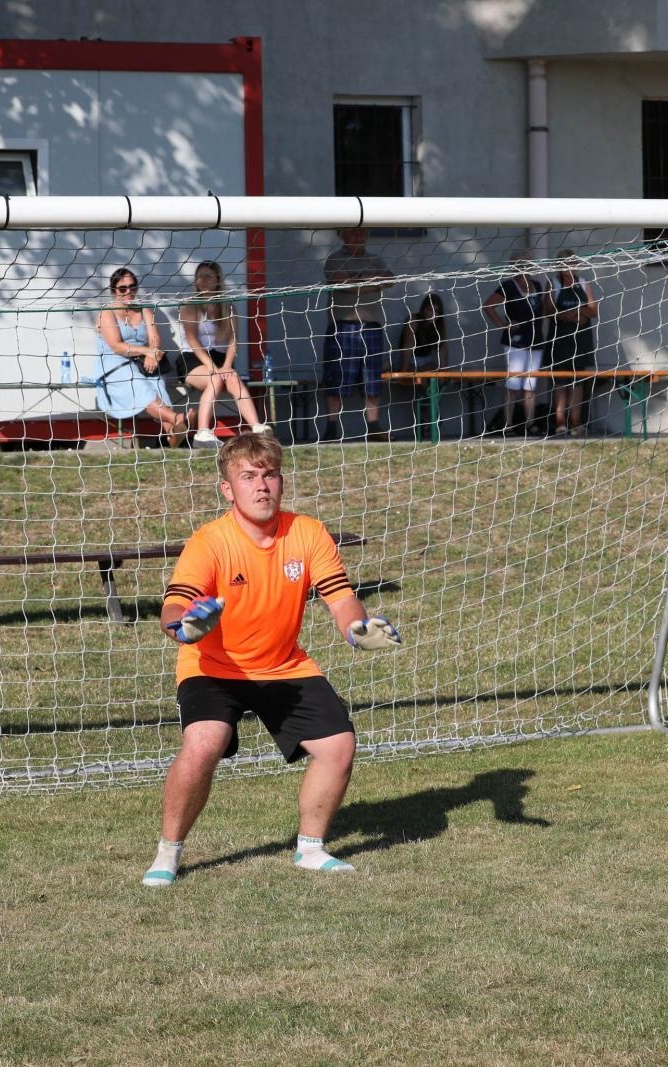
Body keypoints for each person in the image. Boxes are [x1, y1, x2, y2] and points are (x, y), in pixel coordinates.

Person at [141, 432, 404, 887]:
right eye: (248, 477)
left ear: (281, 482)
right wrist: (184, 627)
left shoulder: (307, 532)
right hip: (213, 667)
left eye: (269, 475)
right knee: (204, 743)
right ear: (228, 489)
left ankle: (311, 850)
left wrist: (358, 630)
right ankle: (168, 852)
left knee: (338, 744)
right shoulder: (209, 542)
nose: (261, 486)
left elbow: (341, 600)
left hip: (284, 665)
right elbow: (174, 610)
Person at [94, 268, 190, 446]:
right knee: (138, 384)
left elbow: (155, 337)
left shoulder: (144, 309)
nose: (128, 292)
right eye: (122, 288)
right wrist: (148, 351)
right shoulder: (106, 312)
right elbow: (117, 346)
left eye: (132, 287)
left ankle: (172, 433)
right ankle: (178, 418)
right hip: (114, 365)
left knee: (158, 385)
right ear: (114, 290)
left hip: (142, 361)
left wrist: (152, 354)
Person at [179, 260, 270, 446]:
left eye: (208, 276)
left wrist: (227, 365)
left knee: (233, 378)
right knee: (215, 378)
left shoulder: (227, 307)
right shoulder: (190, 307)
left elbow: (233, 341)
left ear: (218, 279)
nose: (203, 281)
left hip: (220, 358)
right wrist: (212, 367)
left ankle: (257, 427)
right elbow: (192, 341)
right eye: (200, 277)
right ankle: (202, 433)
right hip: (194, 358)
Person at [320, 228, 396, 442]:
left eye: (361, 234)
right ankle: (332, 427)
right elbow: (343, 284)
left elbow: (389, 279)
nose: (358, 237)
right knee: (337, 378)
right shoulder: (335, 259)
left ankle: (373, 426)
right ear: (343, 236)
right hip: (344, 327)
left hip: (372, 327)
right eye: (353, 234)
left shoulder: (376, 259)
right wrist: (371, 281)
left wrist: (358, 280)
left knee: (372, 379)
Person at [482, 263, 553, 436]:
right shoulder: (508, 286)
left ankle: (530, 424)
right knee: (513, 384)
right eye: (521, 267)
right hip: (515, 341)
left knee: (530, 385)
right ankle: (508, 424)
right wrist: (503, 326)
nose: (524, 270)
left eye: (528, 266)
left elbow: (543, 311)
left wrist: (549, 293)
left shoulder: (536, 285)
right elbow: (488, 306)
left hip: (535, 341)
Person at [549, 252, 599, 437]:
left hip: (581, 339)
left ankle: (576, 422)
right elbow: (549, 310)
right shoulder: (553, 284)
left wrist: (579, 313)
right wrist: (571, 315)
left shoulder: (584, 283)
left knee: (578, 381)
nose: (570, 267)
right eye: (566, 264)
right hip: (560, 339)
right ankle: (560, 422)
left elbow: (593, 310)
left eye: (573, 263)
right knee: (560, 381)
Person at [397, 292, 448, 441]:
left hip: (426, 362)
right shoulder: (414, 321)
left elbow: (443, 349)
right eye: (429, 310)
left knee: (434, 375)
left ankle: (429, 415)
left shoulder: (439, 326)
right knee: (425, 378)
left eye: (436, 311)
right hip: (410, 359)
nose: (432, 314)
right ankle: (431, 417)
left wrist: (444, 371)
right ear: (423, 309)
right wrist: (403, 370)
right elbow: (407, 348)